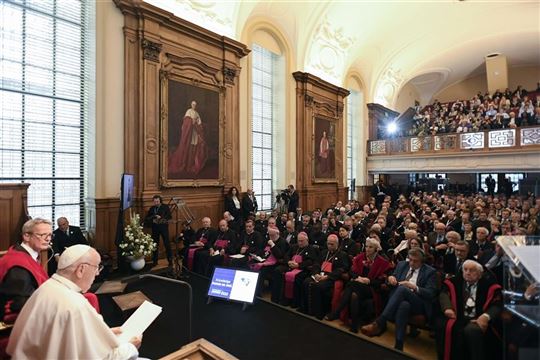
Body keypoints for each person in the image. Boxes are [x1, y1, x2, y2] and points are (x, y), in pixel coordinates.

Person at [7, 245, 142, 359]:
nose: (97, 274)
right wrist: (130, 346)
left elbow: (66, 337)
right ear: (81, 269)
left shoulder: (46, 289)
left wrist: (102, 333)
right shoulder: (76, 305)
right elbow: (105, 357)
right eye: (96, 268)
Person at [361, 248, 437, 351]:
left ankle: (379, 322)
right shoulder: (402, 265)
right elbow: (391, 281)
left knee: (402, 289)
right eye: (410, 260)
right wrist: (390, 279)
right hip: (400, 300)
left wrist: (414, 287)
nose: (411, 263)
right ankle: (398, 345)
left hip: (418, 302)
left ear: (422, 261)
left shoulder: (430, 272)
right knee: (404, 306)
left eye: (415, 261)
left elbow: (430, 293)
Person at [436, 260, 502, 360]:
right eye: (465, 270)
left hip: (477, 318)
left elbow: (497, 304)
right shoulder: (454, 282)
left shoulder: (489, 286)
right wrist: (447, 308)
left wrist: (485, 316)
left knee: (472, 330)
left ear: (480, 273)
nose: (467, 272)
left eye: (472, 270)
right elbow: (443, 294)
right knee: (444, 326)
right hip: (457, 316)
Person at [325, 238, 391, 333]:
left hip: (371, 289)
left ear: (376, 249)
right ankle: (354, 325)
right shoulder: (360, 257)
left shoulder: (382, 262)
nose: (367, 249)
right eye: (366, 246)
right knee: (354, 295)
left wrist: (368, 280)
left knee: (352, 285)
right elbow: (352, 272)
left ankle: (337, 311)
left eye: (370, 247)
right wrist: (359, 278)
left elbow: (381, 281)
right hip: (357, 285)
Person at [0, 218, 51, 326]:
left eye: (50, 235)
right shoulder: (18, 265)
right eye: (42, 235)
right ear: (26, 236)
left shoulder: (23, 253)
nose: (48, 239)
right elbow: (19, 304)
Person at [168, 100, 207, 175]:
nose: (194, 106)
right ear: (191, 105)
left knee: (194, 147)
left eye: (195, 105)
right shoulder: (189, 111)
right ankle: (186, 165)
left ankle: (191, 164)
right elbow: (186, 121)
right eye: (193, 104)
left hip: (195, 132)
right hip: (189, 132)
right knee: (188, 146)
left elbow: (199, 123)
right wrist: (191, 121)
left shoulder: (197, 113)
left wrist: (196, 124)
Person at [144, 195, 172, 267]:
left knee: (167, 244)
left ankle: (170, 260)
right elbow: (147, 218)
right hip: (155, 228)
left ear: (160, 201)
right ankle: (155, 261)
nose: (156, 203)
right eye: (155, 201)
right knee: (155, 244)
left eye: (157, 201)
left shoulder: (165, 207)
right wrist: (154, 216)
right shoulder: (152, 208)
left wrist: (161, 217)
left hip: (163, 228)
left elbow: (169, 216)